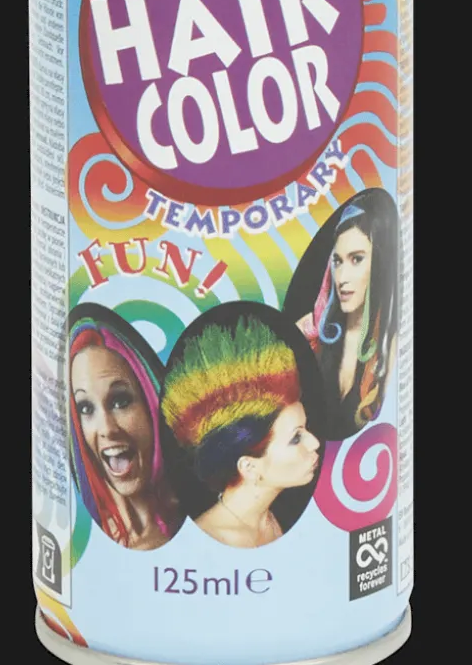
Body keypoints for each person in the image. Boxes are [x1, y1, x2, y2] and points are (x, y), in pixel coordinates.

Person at [161, 316, 320, 549]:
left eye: (305, 430)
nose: (315, 443)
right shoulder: (215, 540)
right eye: (296, 438)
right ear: (249, 467)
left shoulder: (268, 520)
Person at [68, 315, 181, 551]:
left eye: (120, 401)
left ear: (151, 402)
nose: (107, 429)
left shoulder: (198, 517)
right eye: (86, 408)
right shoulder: (84, 538)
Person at [295, 191, 399, 437]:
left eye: (357, 259)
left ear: (380, 264)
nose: (342, 278)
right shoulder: (309, 330)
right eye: (338, 261)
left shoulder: (391, 348)